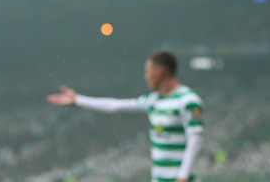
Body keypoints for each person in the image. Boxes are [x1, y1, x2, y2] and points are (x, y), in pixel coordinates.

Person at [47, 51, 204, 182]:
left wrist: (182, 177)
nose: (146, 76)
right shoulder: (153, 100)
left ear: (159, 71)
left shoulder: (188, 100)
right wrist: (78, 100)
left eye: (148, 71)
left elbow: (195, 139)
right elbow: (115, 106)